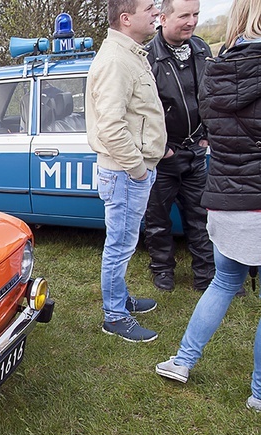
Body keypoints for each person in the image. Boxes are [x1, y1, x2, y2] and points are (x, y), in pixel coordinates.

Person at [155, 0, 261, 411]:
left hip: (225, 197)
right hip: (251, 196)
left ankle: (182, 360)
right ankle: (258, 393)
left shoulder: (216, 69)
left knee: (223, 281)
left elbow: (210, 128)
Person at [85, 0, 167, 342]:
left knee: (125, 243)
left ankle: (121, 299)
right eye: (149, 7)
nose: (156, 13)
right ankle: (114, 316)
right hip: (124, 172)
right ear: (126, 17)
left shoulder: (131, 54)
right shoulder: (116, 60)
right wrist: (137, 170)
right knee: (119, 245)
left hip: (130, 171)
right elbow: (111, 127)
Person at [143, 0, 215, 292]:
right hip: (163, 154)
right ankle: (162, 271)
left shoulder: (201, 49)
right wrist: (161, 149)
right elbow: (140, 111)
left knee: (201, 217)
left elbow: (211, 95)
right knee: (158, 220)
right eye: (184, 15)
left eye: (196, 14)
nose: (192, 21)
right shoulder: (147, 57)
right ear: (163, 17)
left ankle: (207, 276)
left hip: (196, 151)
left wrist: (207, 134)